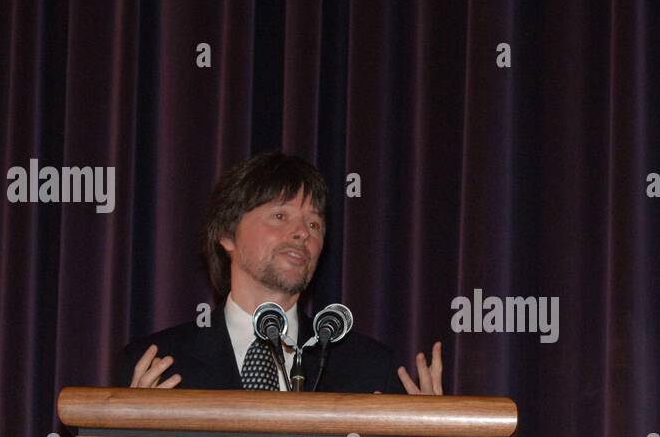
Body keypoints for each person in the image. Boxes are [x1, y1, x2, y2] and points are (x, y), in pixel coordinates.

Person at [113, 153, 443, 395]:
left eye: (314, 224)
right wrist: (130, 435)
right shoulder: (159, 367)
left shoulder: (370, 369)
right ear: (227, 235)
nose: (303, 233)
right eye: (280, 216)